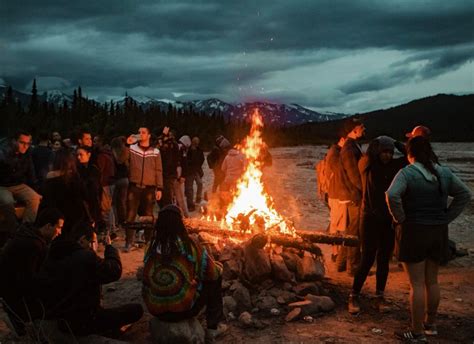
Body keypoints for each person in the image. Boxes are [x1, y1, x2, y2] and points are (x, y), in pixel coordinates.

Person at [386, 136, 471, 342]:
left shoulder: (407, 173)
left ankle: (416, 332)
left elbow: (391, 195)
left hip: (414, 232)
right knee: (432, 281)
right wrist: (446, 217)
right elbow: (465, 195)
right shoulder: (443, 172)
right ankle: (430, 325)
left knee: (416, 284)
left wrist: (400, 218)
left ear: (410, 153)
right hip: (438, 232)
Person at [38, 221, 143, 336]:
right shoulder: (84, 257)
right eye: (91, 242)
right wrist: (110, 248)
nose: (92, 246)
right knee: (136, 310)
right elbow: (114, 271)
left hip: (59, 316)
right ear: (82, 239)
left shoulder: (53, 253)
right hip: (83, 320)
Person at [142, 205, 227, 342]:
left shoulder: (151, 247)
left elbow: (146, 279)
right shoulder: (190, 244)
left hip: (156, 310)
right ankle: (213, 328)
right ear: (180, 223)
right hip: (184, 311)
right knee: (216, 278)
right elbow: (212, 273)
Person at [348, 136, 407, 314]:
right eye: (384, 152)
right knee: (367, 258)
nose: (387, 156)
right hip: (369, 218)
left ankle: (379, 297)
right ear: (377, 151)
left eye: (390, 152)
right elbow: (368, 155)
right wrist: (378, 142)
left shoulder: (395, 167)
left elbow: (409, 157)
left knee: (384, 259)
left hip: (388, 219)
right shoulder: (367, 165)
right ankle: (353, 295)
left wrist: (397, 143)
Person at [0, 208, 64, 336]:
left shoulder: (28, 234)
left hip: (11, 292)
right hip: (15, 298)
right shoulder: (33, 245)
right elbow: (29, 281)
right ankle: (20, 320)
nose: (60, 232)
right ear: (48, 226)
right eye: (59, 227)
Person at [124, 126, 163, 251]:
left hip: (149, 188)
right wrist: (126, 144)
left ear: (149, 135)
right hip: (134, 186)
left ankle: (148, 242)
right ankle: (128, 242)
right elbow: (121, 160)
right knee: (130, 214)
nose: (140, 134)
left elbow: (158, 171)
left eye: (143, 132)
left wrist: (160, 188)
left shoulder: (155, 152)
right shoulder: (132, 149)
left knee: (148, 216)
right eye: (139, 132)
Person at [0, 131, 41, 246]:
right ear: (14, 141)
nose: (25, 146)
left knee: (34, 198)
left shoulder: (27, 154)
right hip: (2, 185)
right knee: (7, 201)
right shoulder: (3, 153)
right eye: (22, 143)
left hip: (18, 184)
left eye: (28, 143)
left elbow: (31, 173)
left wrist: (36, 190)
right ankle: (14, 231)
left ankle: (25, 230)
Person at [337, 118, 366, 275]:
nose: (363, 128)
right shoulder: (349, 148)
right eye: (361, 126)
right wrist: (364, 190)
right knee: (356, 231)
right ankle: (353, 267)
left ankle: (341, 263)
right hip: (353, 194)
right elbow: (354, 174)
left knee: (351, 229)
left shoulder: (352, 145)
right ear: (353, 130)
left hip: (350, 193)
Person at [40, 149, 92, 234]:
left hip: (57, 221)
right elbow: (85, 196)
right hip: (75, 220)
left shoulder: (50, 179)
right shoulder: (75, 179)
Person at [76, 146, 102, 227]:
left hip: (92, 200)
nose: (78, 157)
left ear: (89, 155)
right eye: (77, 155)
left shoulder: (94, 168)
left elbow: (95, 186)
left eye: (81, 154)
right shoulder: (77, 169)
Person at [110, 136, 129, 227]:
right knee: (122, 201)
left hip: (115, 179)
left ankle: (116, 221)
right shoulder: (126, 151)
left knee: (114, 202)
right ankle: (123, 219)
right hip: (124, 178)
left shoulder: (112, 153)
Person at [184, 136, 205, 211]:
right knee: (189, 188)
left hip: (196, 170)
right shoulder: (188, 150)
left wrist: (198, 166)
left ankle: (198, 198)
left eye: (197, 142)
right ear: (192, 142)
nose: (196, 143)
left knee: (200, 183)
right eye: (195, 142)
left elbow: (202, 159)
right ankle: (190, 204)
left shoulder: (199, 150)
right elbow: (186, 160)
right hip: (189, 171)